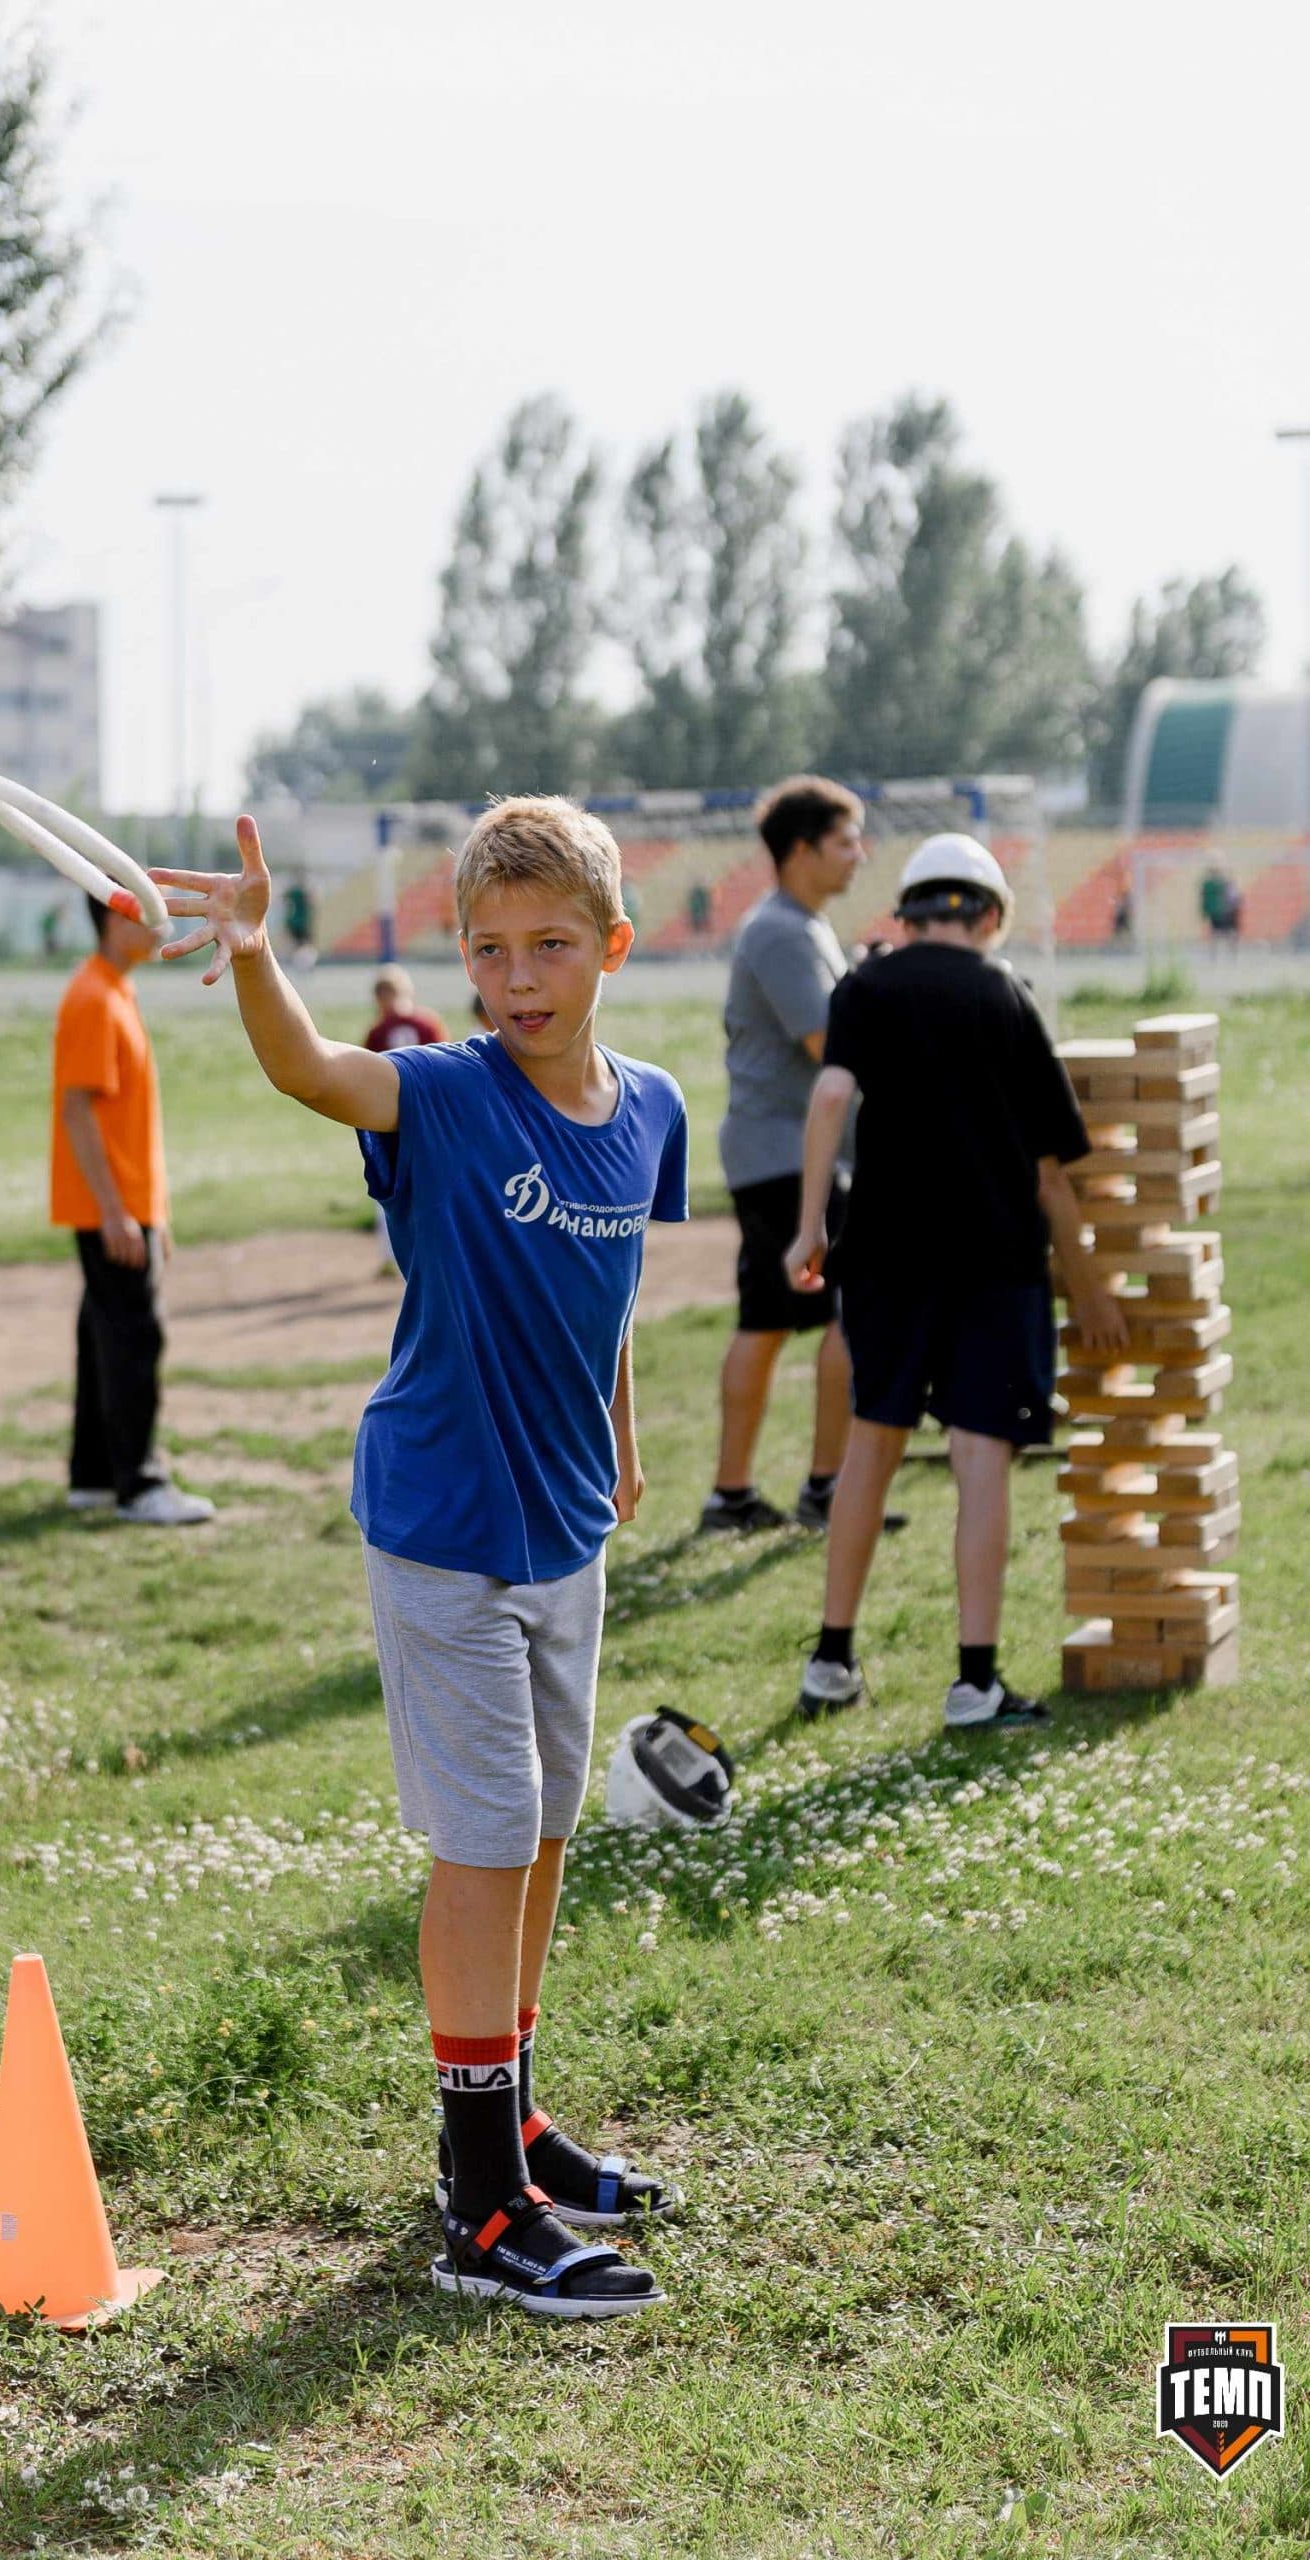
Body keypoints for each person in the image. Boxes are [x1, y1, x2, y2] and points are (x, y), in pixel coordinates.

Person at [154, 797, 688, 2319]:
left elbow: (618, 1286)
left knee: (546, 1832)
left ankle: (512, 2114)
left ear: (612, 950)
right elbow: (311, 1070)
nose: (518, 978)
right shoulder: (447, 1095)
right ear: (459, 960)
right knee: (481, 1836)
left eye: (551, 948)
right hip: (445, 1515)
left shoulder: (650, 1107)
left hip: (565, 1516)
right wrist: (258, 956)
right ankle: (477, 2204)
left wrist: (624, 1438)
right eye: (488, 950)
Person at [784, 835, 1128, 1729]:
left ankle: (830, 1661)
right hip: (993, 1262)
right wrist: (1084, 1281)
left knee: (871, 1445)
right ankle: (974, 1683)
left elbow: (828, 1100)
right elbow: (1049, 1171)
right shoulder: (1002, 994)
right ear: (986, 915)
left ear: (907, 915)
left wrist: (809, 1226)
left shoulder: (864, 987)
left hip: (884, 1259)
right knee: (981, 1460)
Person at [702, 776, 900, 1537]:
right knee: (829, 1319)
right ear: (800, 850)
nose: (860, 855)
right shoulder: (783, 931)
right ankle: (817, 1488)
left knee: (781, 1319)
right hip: (786, 1155)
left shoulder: (802, 925)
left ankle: (744, 1495)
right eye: (846, 840)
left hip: (785, 1152)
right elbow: (832, 1046)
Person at [50, 896, 215, 1527]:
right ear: (116, 921)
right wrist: (117, 1212)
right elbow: (77, 1110)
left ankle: (92, 1475)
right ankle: (141, 1484)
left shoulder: (114, 990)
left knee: (103, 1335)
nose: (159, 923)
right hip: (109, 1208)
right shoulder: (93, 996)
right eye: (146, 913)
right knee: (133, 1338)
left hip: (126, 1205)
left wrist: (154, 1212)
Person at [363, 967, 450, 1276]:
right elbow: (447, 1069)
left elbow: (364, 1077)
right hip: (429, 1117)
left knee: (389, 1189)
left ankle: (392, 1258)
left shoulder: (378, 1030)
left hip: (390, 1120)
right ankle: (438, 1253)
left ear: (380, 997)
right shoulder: (428, 1022)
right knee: (435, 1185)